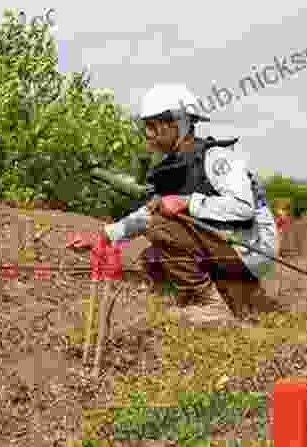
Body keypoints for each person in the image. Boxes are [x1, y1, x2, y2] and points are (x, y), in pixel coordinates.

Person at [71, 83, 281, 326]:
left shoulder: (218, 158)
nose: (147, 134)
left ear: (177, 124)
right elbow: (147, 212)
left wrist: (187, 202)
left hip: (255, 248)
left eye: (152, 126)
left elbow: (244, 208)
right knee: (153, 259)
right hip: (232, 244)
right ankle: (236, 293)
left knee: (160, 227)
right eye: (146, 126)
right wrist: (103, 236)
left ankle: (209, 306)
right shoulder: (174, 167)